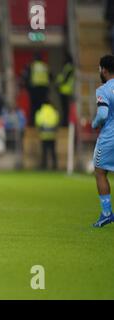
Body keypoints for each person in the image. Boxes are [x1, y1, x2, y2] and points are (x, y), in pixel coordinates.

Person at [91, 54, 114, 227]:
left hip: (109, 138)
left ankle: (106, 213)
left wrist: (95, 123)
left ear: (104, 70)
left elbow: (103, 114)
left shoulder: (103, 90)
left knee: (100, 171)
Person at [24, 52, 50, 125]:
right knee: (42, 107)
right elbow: (50, 77)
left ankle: (32, 123)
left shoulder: (32, 66)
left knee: (33, 107)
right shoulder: (45, 66)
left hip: (34, 89)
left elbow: (26, 77)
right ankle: (42, 122)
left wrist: (27, 88)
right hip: (43, 90)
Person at [35, 99, 59, 170]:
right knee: (53, 151)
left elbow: (38, 121)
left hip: (44, 135)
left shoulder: (41, 111)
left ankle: (44, 165)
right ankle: (54, 166)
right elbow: (57, 121)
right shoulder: (53, 111)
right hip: (52, 134)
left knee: (44, 151)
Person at [55, 53, 75, 127]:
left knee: (65, 109)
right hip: (64, 91)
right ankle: (65, 123)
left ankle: (65, 124)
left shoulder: (69, 67)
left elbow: (64, 79)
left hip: (65, 91)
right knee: (65, 109)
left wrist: (58, 84)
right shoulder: (67, 67)